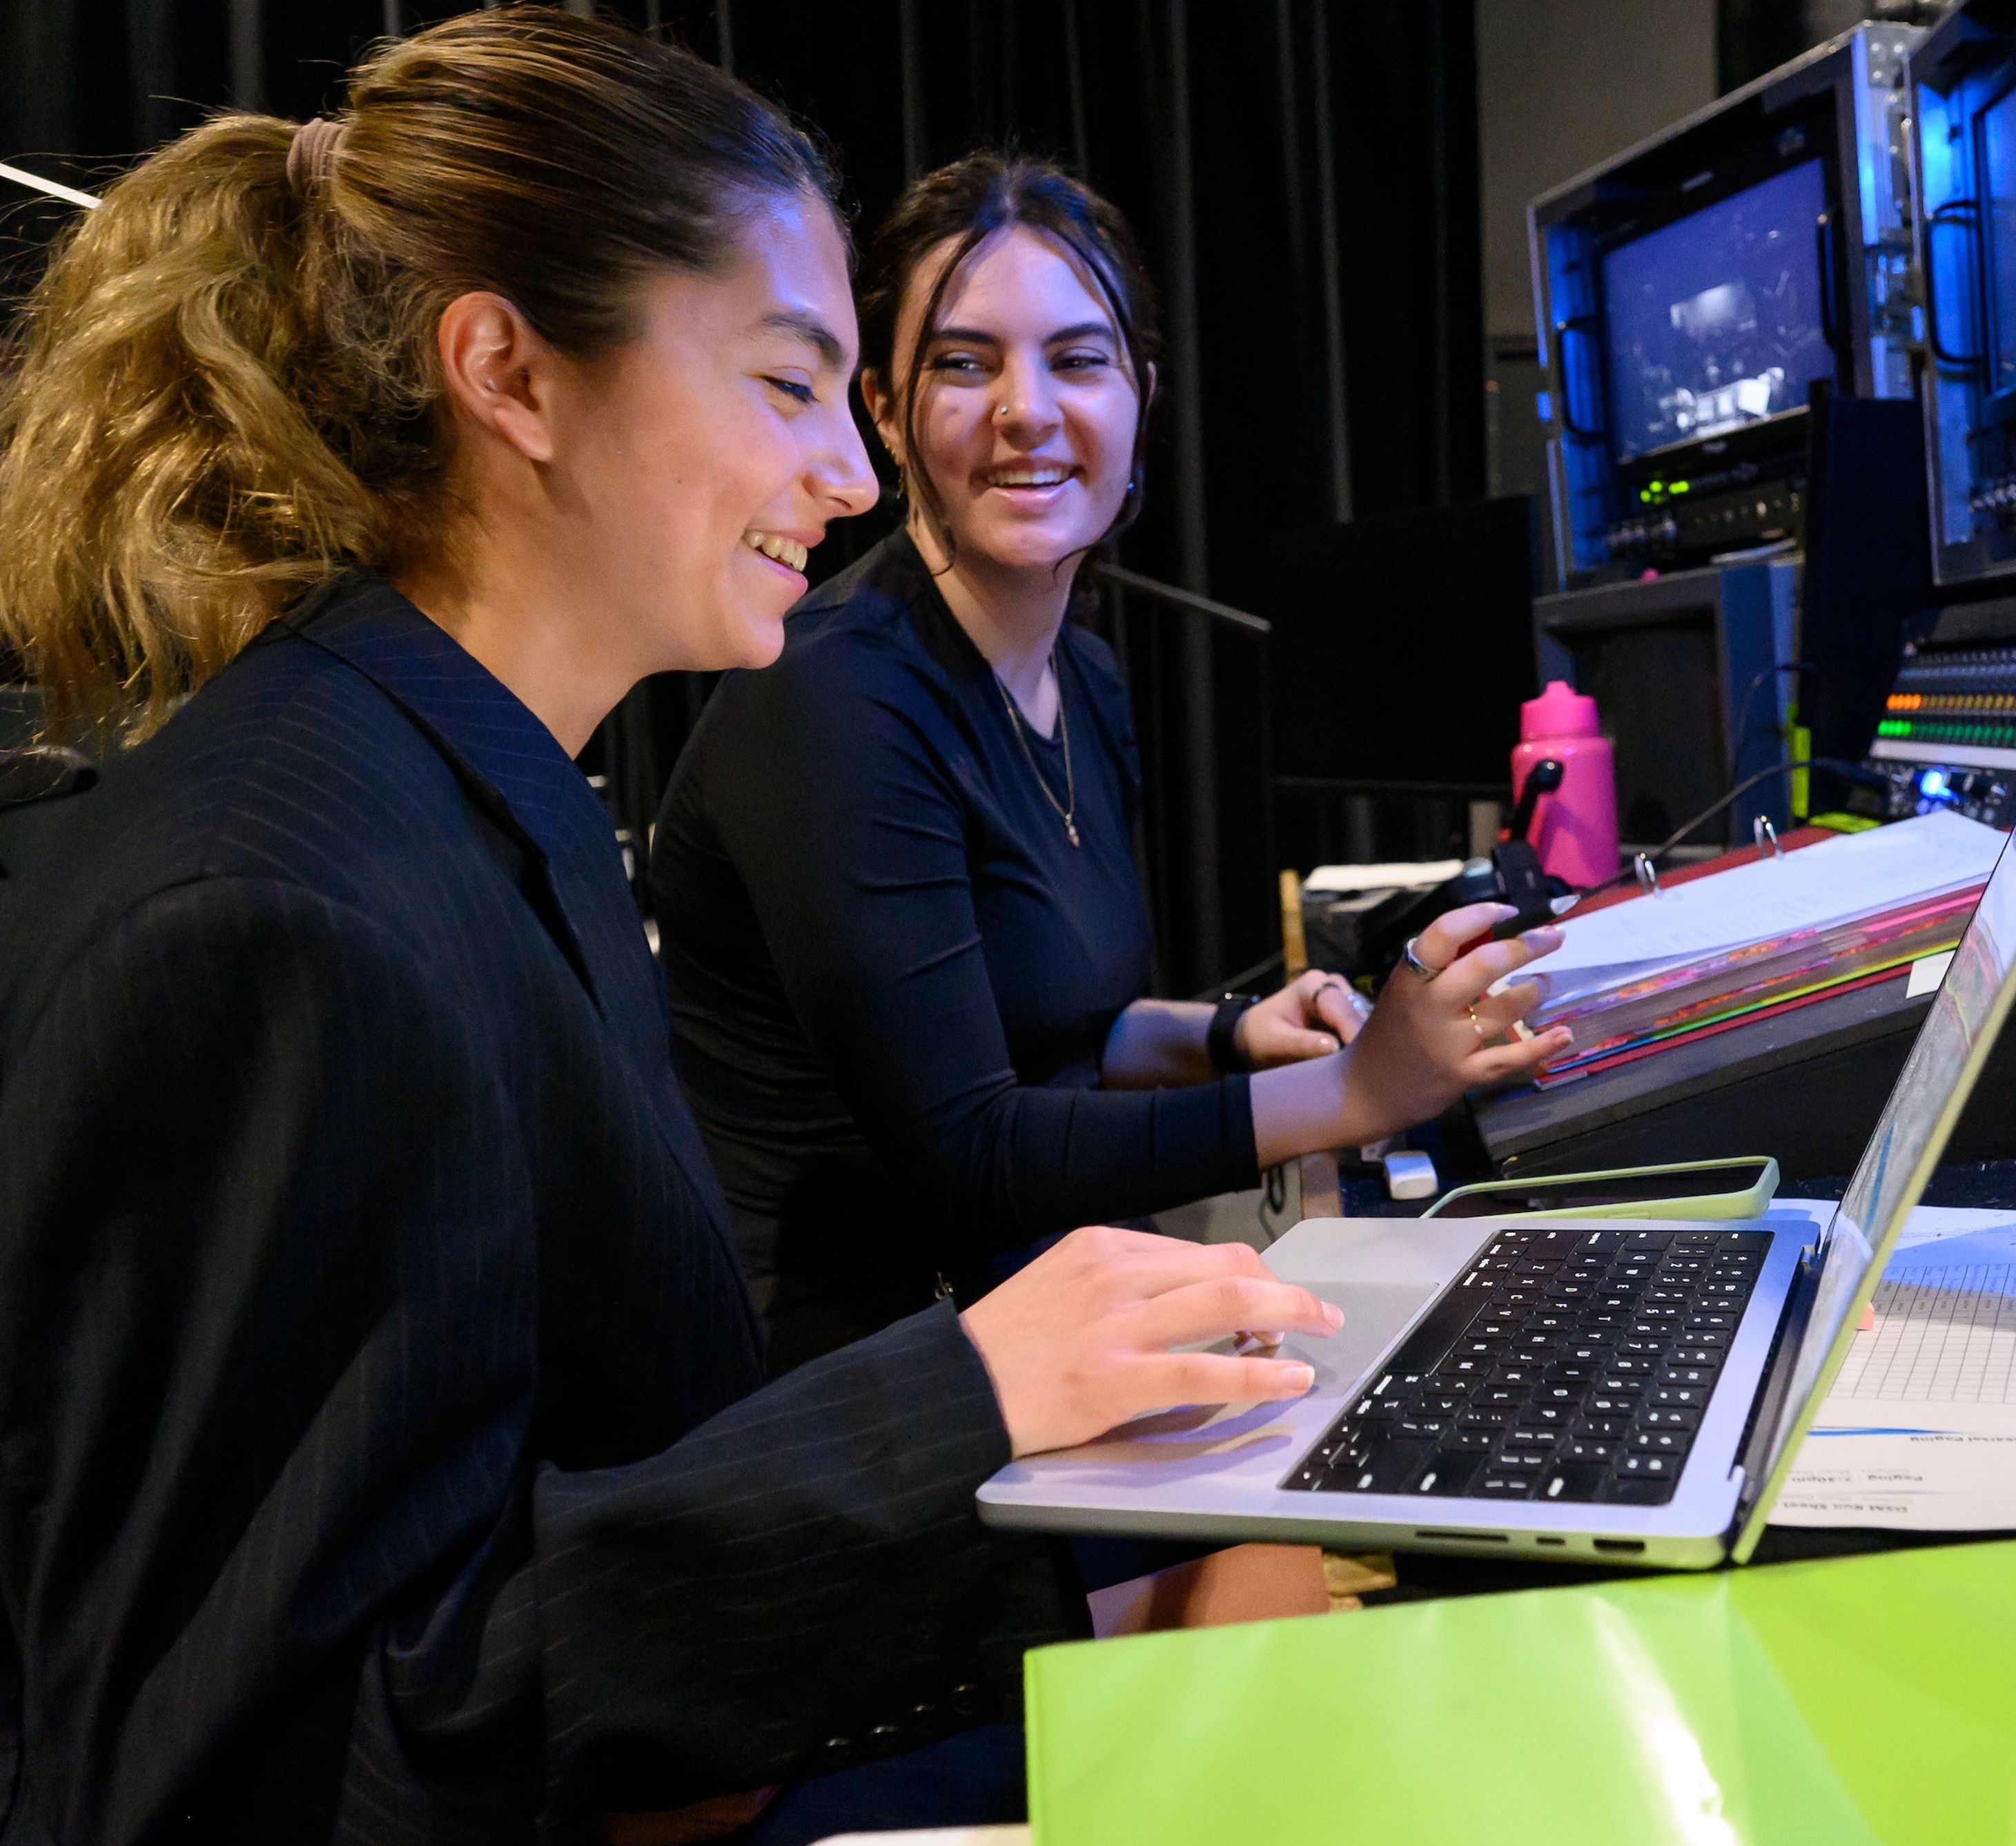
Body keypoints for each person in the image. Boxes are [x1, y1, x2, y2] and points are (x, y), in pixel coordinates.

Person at [0, 10, 1339, 1846]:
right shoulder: (274, 907)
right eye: (795, 381)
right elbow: (265, 1804)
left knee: (1290, 1588)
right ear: (511, 374)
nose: (848, 471)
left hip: (611, 1809)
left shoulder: (473, 787)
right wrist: (946, 1409)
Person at [651, 152, 1573, 1370]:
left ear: (1138, 396)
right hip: (844, 1377)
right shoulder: (828, 697)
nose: (1026, 409)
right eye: (964, 364)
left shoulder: (1081, 672)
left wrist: (1235, 1031)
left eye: (1078, 360)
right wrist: (1358, 1092)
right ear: (884, 411)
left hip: (1026, 1305)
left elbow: (1060, 1027)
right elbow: (971, 1150)